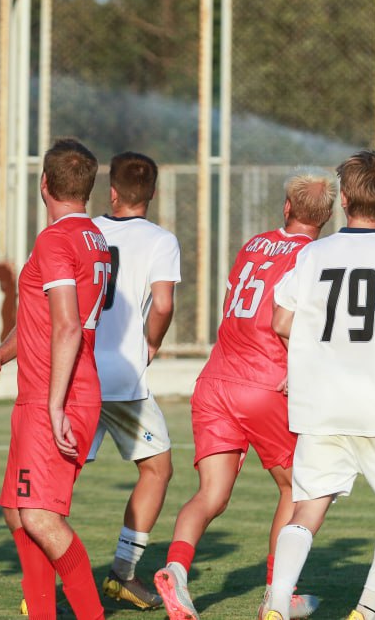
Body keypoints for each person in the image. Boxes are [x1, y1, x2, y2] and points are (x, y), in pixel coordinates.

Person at [154, 173, 335, 620]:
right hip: (266, 382)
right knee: (296, 488)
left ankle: (176, 570)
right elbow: (305, 325)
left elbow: (232, 305)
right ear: (328, 216)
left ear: (287, 208)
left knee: (210, 494)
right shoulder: (317, 257)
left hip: (216, 378)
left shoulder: (254, 245)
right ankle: (279, 594)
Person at [263, 150, 375, 620]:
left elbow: (281, 321)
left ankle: (276, 605)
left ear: (343, 200)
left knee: (308, 507)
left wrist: (310, 354)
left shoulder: (312, 253)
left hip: (318, 404)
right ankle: (367, 608)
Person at [0, 138, 114, 620]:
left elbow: (68, 326)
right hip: (45, 391)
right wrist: (0, 355)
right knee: (17, 511)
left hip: (57, 395)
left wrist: (55, 406)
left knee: (39, 515)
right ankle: (41, 612)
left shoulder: (55, 240)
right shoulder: (93, 237)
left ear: (44, 184)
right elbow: (45, 319)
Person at [84, 152, 180, 610]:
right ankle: (123, 573)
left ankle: (38, 582)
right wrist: (151, 343)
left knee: (57, 475)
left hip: (77, 370)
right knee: (157, 468)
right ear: (153, 194)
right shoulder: (161, 240)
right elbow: (162, 304)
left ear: (112, 192)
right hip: (123, 374)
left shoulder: (85, 231)